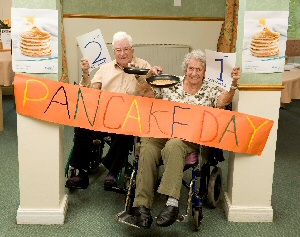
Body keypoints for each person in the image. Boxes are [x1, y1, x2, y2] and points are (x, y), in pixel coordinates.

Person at [131, 49, 240, 228]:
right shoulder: (172, 83)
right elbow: (147, 94)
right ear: (185, 69)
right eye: (191, 68)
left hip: (190, 137)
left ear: (204, 72)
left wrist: (234, 84)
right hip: (164, 131)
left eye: (198, 69)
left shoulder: (209, 88)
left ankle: (172, 204)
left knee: (174, 145)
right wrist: (146, 78)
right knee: (148, 145)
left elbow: (222, 102)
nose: (194, 73)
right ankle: (141, 206)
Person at [65, 31, 151, 190]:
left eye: (126, 49)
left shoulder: (144, 66)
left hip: (129, 118)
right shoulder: (105, 69)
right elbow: (89, 92)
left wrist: (139, 75)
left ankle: (112, 172)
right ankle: (82, 174)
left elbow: (151, 94)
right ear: (114, 52)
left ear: (132, 50)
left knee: (128, 128)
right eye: (119, 50)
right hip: (104, 116)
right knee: (83, 123)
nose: (123, 53)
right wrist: (85, 74)